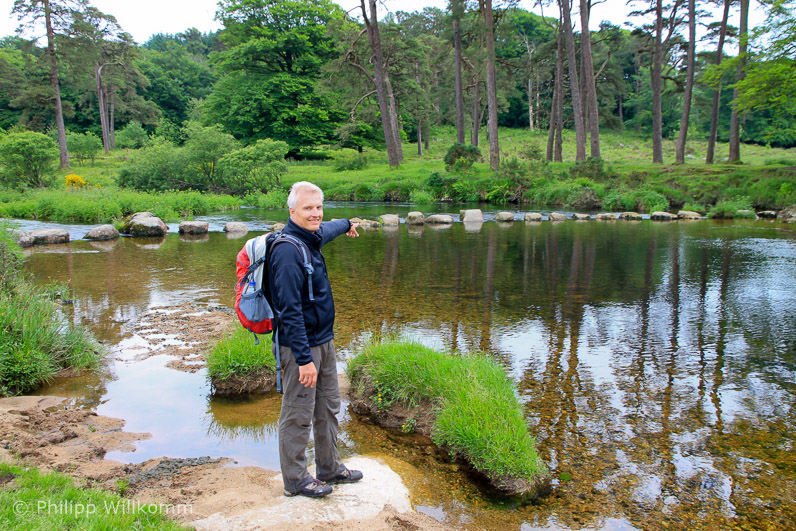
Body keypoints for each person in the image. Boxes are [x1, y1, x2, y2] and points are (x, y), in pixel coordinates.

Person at [268, 181, 362, 498]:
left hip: (324, 340)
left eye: (319, 207)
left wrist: (348, 224)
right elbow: (289, 310)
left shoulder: (313, 236)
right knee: (298, 413)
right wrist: (304, 359)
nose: (316, 214)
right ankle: (295, 480)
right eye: (308, 208)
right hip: (301, 348)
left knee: (328, 406)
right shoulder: (286, 251)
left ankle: (329, 468)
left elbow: (330, 229)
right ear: (292, 210)